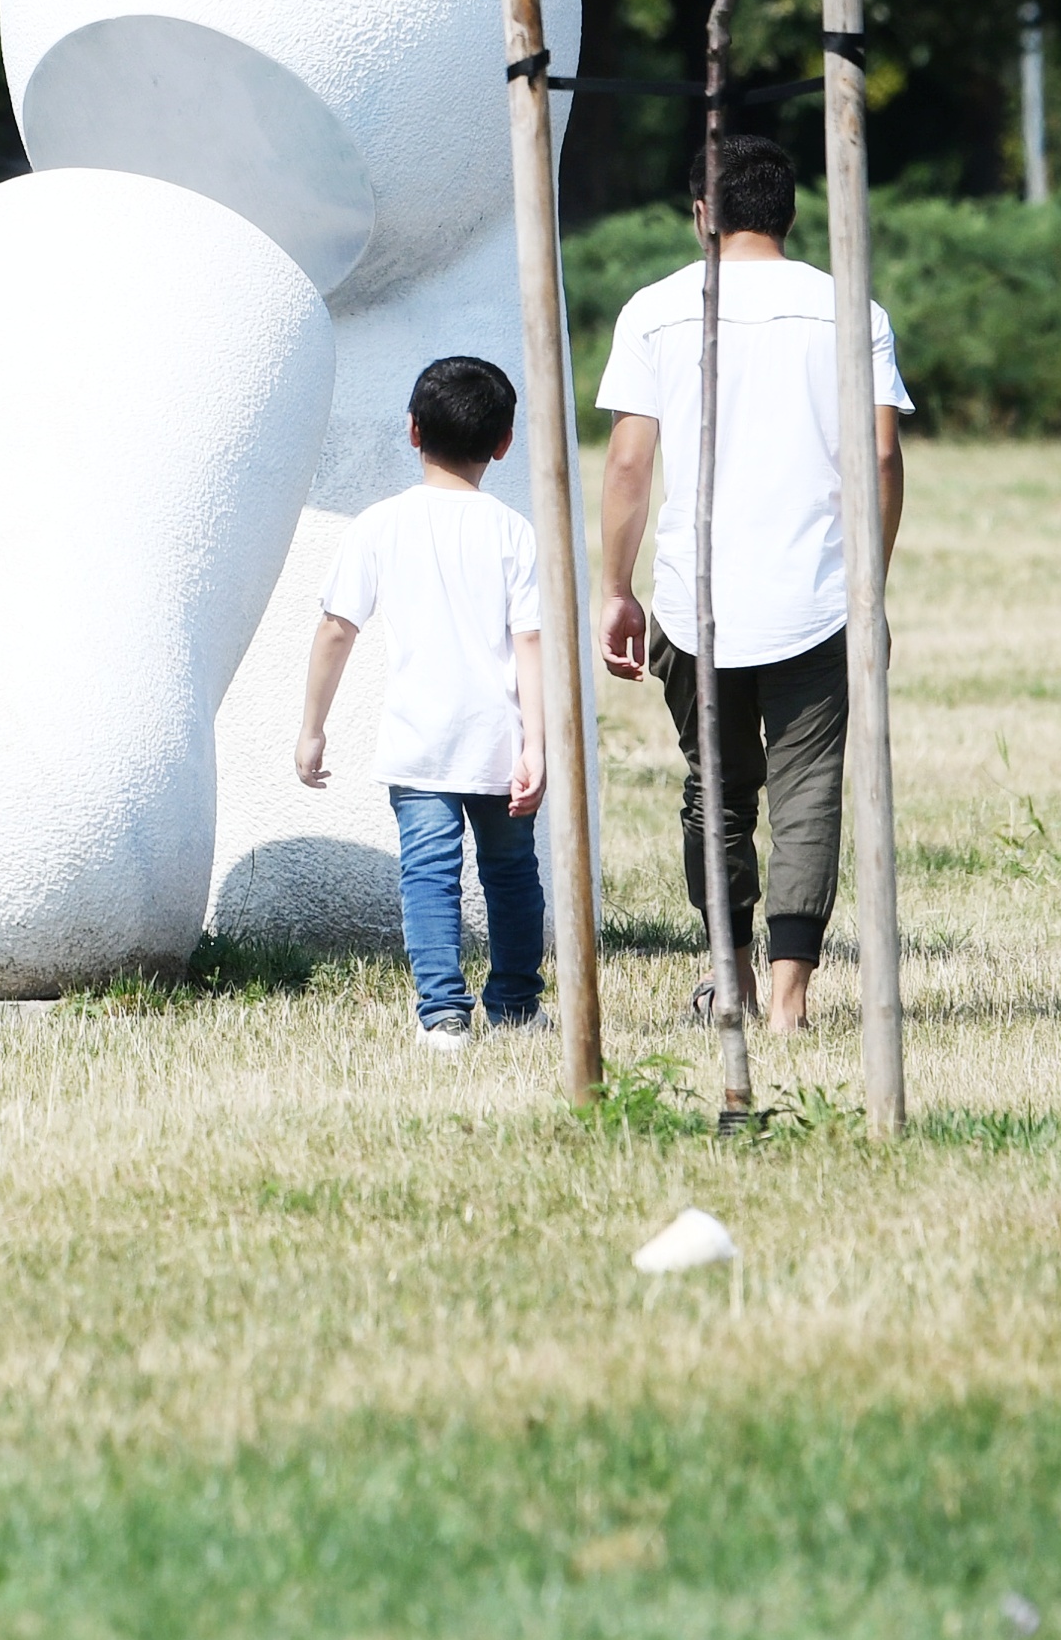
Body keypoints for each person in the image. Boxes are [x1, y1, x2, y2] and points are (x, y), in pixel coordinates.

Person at [593, 136, 909, 1034]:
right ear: (790, 213)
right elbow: (881, 454)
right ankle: (788, 1002)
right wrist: (868, 590)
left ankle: (726, 974)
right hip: (818, 596)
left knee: (717, 788)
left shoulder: (655, 311)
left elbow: (626, 462)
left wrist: (614, 586)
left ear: (702, 213)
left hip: (697, 602)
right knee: (810, 790)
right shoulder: (852, 309)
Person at [295, 355, 549, 1050]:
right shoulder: (511, 529)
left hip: (418, 738)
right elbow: (529, 641)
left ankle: (442, 1016)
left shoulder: (377, 524)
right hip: (500, 739)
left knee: (429, 877)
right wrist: (536, 743)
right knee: (511, 874)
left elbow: (335, 627)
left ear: (412, 430)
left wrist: (312, 727)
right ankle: (517, 1005)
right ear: (502, 441)